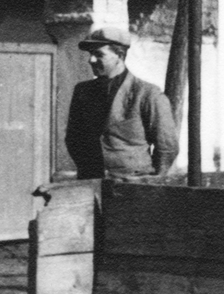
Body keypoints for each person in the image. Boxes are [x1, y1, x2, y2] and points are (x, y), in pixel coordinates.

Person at [64, 25, 179, 180]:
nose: (91, 60)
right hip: (90, 181)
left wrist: (153, 178)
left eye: (98, 54)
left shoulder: (147, 94)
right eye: (91, 54)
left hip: (134, 185)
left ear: (119, 55)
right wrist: (88, 167)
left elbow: (167, 145)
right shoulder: (83, 91)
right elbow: (73, 138)